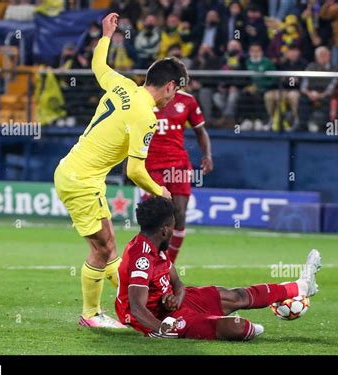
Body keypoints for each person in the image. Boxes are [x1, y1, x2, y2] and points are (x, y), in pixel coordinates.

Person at [54, 13, 185, 329]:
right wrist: (161, 191)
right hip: (81, 180)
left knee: (108, 245)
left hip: (78, 173)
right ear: (169, 86)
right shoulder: (146, 117)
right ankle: (91, 314)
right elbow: (135, 171)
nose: (174, 97)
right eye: (176, 90)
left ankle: (129, 302)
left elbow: (98, 66)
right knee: (103, 248)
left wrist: (105, 35)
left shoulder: (122, 86)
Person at [115, 197, 322, 340]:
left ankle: (302, 286)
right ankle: (208, 325)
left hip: (171, 305)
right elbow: (136, 308)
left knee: (236, 295)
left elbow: (177, 282)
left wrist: (177, 297)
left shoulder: (157, 246)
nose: (174, 230)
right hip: (157, 320)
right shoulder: (141, 258)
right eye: (173, 225)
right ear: (164, 230)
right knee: (239, 327)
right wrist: (161, 328)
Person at [144, 87, 213, 263]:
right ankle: (148, 260)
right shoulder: (143, 97)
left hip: (178, 166)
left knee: (179, 214)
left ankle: (167, 265)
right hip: (151, 166)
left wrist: (207, 155)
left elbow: (200, 131)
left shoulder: (187, 101)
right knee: (157, 216)